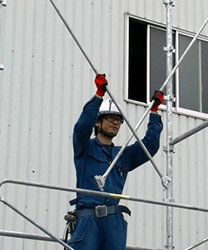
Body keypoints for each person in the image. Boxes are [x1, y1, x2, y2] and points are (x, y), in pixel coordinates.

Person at [68, 74, 164, 250]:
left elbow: (149, 146)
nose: (115, 122)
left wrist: (154, 113)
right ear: (97, 123)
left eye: (119, 120)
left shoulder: (123, 155)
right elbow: (81, 128)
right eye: (110, 118)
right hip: (88, 220)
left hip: (113, 222)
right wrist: (98, 95)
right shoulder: (84, 148)